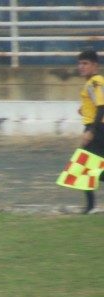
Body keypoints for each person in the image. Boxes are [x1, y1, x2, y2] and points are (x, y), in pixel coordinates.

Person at [75, 49, 104, 214]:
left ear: (95, 65)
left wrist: (91, 131)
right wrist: (84, 110)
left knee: (85, 169)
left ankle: (90, 208)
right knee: (86, 169)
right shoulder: (92, 83)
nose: (81, 67)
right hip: (97, 127)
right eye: (80, 63)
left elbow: (101, 106)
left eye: (85, 63)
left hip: (98, 129)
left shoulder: (95, 81)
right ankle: (90, 207)